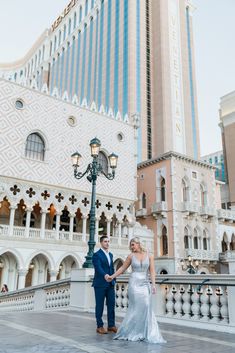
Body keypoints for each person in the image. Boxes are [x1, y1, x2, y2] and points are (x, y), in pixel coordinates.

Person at [107, 237, 166, 343]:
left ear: (139, 244)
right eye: (131, 245)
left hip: (145, 284)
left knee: (146, 305)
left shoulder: (150, 256)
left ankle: (145, 332)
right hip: (134, 284)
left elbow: (152, 271)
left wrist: (153, 285)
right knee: (135, 308)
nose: (131, 247)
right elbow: (122, 269)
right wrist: (112, 276)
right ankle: (132, 331)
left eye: (133, 244)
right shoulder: (130, 256)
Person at [92, 235, 117, 334]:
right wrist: (105, 275)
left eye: (108, 241)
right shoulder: (96, 255)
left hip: (110, 284)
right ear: (101, 243)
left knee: (111, 304)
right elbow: (98, 267)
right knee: (100, 305)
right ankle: (100, 326)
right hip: (100, 284)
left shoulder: (110, 254)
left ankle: (111, 325)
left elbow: (112, 268)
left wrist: (113, 277)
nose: (107, 243)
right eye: (105, 241)